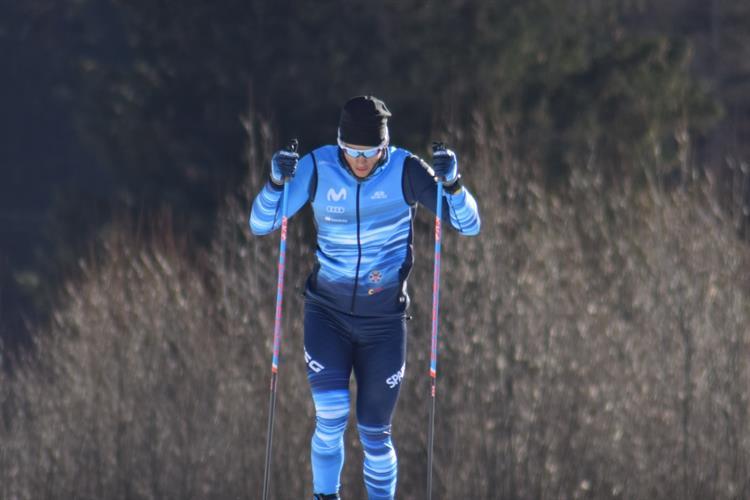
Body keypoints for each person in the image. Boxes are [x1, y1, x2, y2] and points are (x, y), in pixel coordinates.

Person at [249, 96, 480, 499]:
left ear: (384, 146)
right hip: (328, 315)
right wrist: (274, 184)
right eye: (352, 152)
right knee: (331, 417)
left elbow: (469, 224)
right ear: (340, 144)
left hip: (384, 325)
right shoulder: (319, 167)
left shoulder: (405, 170)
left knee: (375, 433)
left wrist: (454, 184)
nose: (361, 161)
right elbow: (261, 223)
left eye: (370, 152)